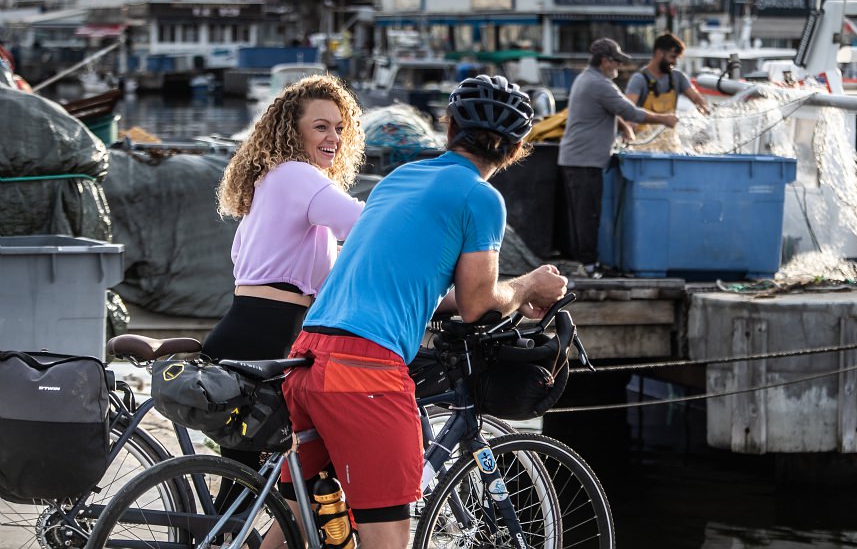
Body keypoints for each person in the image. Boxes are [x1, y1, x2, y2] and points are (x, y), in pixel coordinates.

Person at [281, 74, 568, 547]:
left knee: (295, 524)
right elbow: (478, 304)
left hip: (309, 357)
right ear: (517, 148)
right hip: (365, 372)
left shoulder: (402, 177)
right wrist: (528, 285)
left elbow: (412, 280)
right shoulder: (482, 197)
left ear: (448, 125)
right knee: (387, 536)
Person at [202, 74, 366, 469]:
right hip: (270, 336)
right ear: (293, 132)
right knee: (314, 455)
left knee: (245, 479)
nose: (335, 138)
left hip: (245, 329)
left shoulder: (270, 181)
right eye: (321, 127)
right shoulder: (299, 175)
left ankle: (227, 534)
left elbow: (323, 265)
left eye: (340, 128)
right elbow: (365, 225)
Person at [557, 38, 679, 274]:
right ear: (604, 61)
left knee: (582, 215)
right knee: (587, 216)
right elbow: (629, 110)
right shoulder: (600, 84)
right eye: (616, 62)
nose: (619, 67)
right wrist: (665, 119)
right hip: (584, 161)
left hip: (576, 159)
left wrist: (624, 127)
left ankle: (585, 262)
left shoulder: (587, 78)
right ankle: (590, 267)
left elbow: (613, 111)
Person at [624, 32, 710, 118]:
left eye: (677, 58)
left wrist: (705, 110)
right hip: (643, 131)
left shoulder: (678, 77)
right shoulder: (639, 79)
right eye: (672, 57)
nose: (675, 62)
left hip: (670, 131)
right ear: (659, 53)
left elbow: (696, 98)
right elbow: (629, 111)